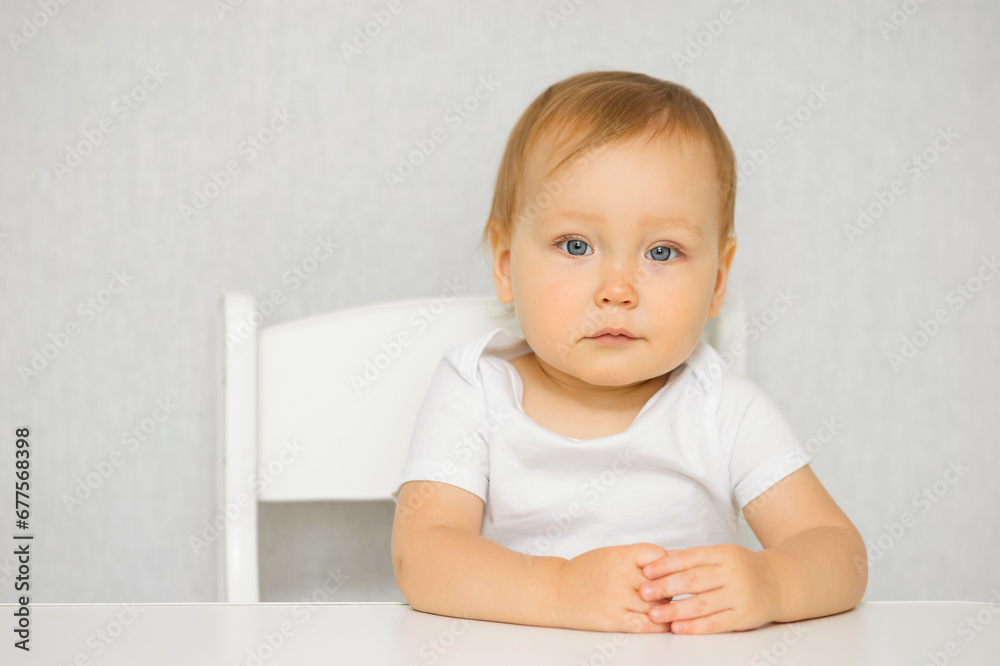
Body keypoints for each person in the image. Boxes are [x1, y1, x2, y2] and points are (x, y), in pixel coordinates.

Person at [390, 70, 867, 634]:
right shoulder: (476, 389)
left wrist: (775, 583)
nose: (617, 289)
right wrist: (556, 591)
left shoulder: (723, 410)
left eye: (662, 252)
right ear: (504, 267)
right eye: (576, 245)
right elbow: (421, 557)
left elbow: (841, 553)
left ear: (717, 281)